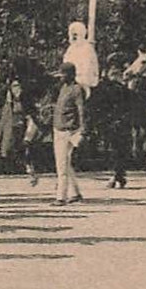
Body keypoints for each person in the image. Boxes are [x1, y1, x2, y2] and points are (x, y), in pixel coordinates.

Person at [92, 54, 132, 189]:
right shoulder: (104, 85)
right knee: (113, 149)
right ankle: (118, 174)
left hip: (119, 120)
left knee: (118, 148)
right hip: (108, 119)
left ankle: (118, 174)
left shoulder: (124, 86)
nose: (114, 72)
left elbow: (130, 103)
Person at [51, 61, 86, 205]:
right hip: (59, 129)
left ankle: (61, 197)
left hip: (68, 130)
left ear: (70, 75)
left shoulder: (77, 89)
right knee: (66, 164)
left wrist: (83, 128)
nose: (60, 78)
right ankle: (75, 193)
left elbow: (81, 110)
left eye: (63, 75)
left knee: (61, 164)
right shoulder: (64, 88)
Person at [62, 21, 100, 91]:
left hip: (84, 83)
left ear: (82, 34)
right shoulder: (71, 49)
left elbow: (87, 69)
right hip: (70, 81)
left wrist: (79, 81)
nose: (74, 37)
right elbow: (66, 64)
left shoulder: (87, 49)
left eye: (76, 34)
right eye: (72, 34)